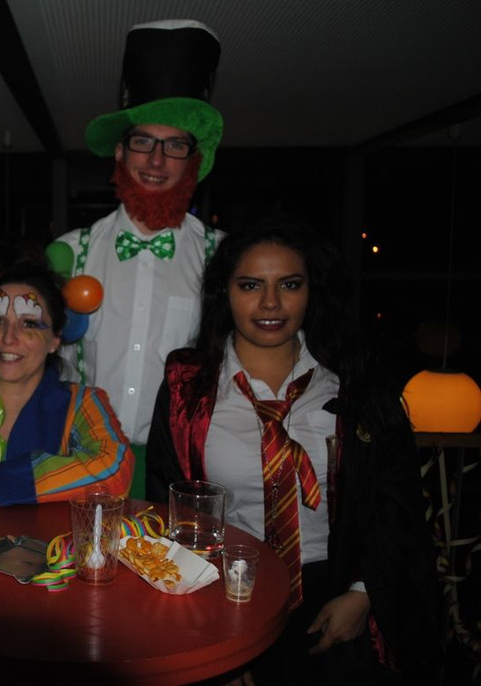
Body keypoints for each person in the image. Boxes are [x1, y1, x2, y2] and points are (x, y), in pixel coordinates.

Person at [145, 216, 444, 683]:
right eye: (250, 285)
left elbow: (395, 498)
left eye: (289, 284)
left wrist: (363, 593)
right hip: (228, 588)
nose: (270, 303)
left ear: (312, 291)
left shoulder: (355, 381)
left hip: (338, 590)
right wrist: (211, 639)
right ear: (225, 292)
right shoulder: (187, 386)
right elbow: (168, 504)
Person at [47, 20, 226, 500]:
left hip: (183, 468)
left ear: (193, 160)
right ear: (120, 153)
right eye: (144, 142)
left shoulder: (225, 259)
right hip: (82, 460)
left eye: (175, 145)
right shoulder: (70, 252)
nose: (156, 160)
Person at [0, 248, 134, 504]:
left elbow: (116, 468)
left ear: (55, 339)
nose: (9, 338)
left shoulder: (82, 403)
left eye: (28, 323)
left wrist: (4, 481)